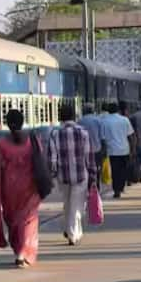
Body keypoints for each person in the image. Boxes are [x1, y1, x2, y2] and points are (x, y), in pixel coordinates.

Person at [0, 109, 42, 268]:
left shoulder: (0, 144)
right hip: (30, 187)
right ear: (23, 122)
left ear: (7, 124)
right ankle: (24, 252)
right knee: (28, 220)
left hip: (9, 189)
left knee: (13, 221)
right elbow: (41, 162)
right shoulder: (32, 140)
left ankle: (18, 251)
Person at [49, 104, 97, 246]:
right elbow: (89, 155)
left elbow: (52, 158)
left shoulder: (55, 134)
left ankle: (70, 229)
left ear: (60, 117)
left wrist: (52, 173)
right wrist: (93, 173)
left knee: (67, 203)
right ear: (74, 116)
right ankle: (72, 234)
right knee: (77, 205)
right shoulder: (83, 133)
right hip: (81, 174)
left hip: (62, 176)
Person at [102, 102, 136, 198]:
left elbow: (103, 138)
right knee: (123, 169)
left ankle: (116, 189)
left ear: (108, 110)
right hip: (124, 149)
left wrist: (104, 150)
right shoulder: (124, 120)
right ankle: (120, 187)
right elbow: (130, 136)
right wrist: (133, 149)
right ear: (118, 110)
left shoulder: (105, 121)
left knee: (114, 170)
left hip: (112, 150)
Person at [77, 102, 106, 186]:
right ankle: (96, 182)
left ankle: (89, 183)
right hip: (97, 149)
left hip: (84, 150)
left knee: (86, 168)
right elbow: (102, 137)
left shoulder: (80, 121)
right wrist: (104, 149)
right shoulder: (98, 120)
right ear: (92, 110)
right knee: (97, 167)